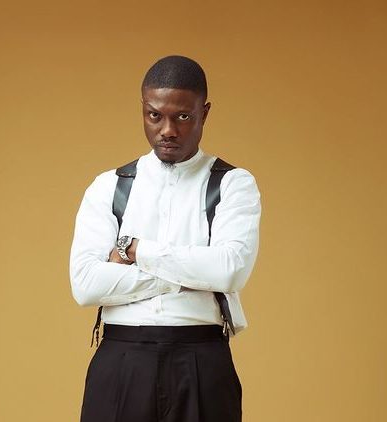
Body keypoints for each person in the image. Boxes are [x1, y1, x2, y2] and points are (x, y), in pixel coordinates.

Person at [70, 55, 261, 422]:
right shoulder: (109, 186)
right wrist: (191, 277)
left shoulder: (233, 184)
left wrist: (135, 249)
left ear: (204, 113)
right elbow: (85, 285)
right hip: (121, 360)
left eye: (183, 116)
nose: (168, 130)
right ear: (143, 110)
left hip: (201, 361)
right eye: (154, 115)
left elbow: (229, 271)